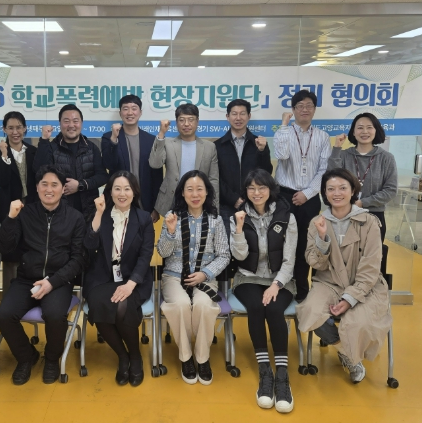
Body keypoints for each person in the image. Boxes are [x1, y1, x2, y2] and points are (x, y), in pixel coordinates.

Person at [296, 168, 392, 384]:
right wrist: (322, 238)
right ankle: (347, 353)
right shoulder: (317, 222)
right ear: (324, 193)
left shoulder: (369, 222)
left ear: (352, 191)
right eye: (330, 189)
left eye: (342, 188)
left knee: (359, 323)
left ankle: (351, 354)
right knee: (308, 312)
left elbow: (371, 267)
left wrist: (350, 299)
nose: (336, 193)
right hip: (328, 282)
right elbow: (315, 263)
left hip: (366, 286)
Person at [0, 165, 86, 385]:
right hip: (26, 278)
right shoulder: (25, 213)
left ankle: (52, 359)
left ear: (63, 189)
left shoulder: (75, 217)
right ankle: (26, 357)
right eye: (44, 184)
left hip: (59, 281)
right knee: (4, 315)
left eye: (55, 184)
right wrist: (10, 218)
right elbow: (5, 247)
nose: (49, 189)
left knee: (54, 315)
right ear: (36, 188)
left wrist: (52, 282)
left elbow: (78, 259)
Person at [229, 169, 296, 413]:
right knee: (257, 306)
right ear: (246, 191)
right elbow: (240, 256)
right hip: (247, 278)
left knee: (274, 308)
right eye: (251, 188)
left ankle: (282, 376)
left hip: (281, 279)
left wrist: (276, 285)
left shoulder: (286, 216)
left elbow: (289, 260)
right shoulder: (238, 216)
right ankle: (265, 371)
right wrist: (239, 229)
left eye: (261, 187)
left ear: (271, 189)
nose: (256, 193)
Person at [157, 170, 229, 386]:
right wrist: (170, 232)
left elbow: (224, 255)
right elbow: (162, 252)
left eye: (199, 189)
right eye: (190, 189)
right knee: (180, 304)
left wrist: (205, 274)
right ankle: (186, 357)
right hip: (173, 276)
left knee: (203, 305)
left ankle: (202, 358)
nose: (195, 194)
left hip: (205, 277)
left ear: (207, 192)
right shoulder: (172, 217)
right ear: (182, 193)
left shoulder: (216, 220)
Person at [84, 171, 154, 387]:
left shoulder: (143, 219)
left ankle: (135, 356)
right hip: (102, 278)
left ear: (134, 192)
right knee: (97, 303)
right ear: (110, 192)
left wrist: (131, 284)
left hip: (134, 279)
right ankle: (122, 355)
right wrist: (98, 214)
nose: (122, 194)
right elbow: (89, 246)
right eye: (117, 189)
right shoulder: (101, 214)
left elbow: (145, 256)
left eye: (126, 189)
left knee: (122, 305)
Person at [274, 90, 331, 301]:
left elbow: (324, 170)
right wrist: (284, 125)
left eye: (309, 106)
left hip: (310, 197)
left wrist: (307, 194)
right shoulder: (283, 132)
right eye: (300, 106)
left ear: (314, 109)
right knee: (282, 242)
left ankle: (302, 289)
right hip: (284, 195)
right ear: (293, 109)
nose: (304, 109)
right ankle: (282, 285)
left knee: (306, 244)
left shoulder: (323, 137)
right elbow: (281, 155)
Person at [328, 113, 397, 241]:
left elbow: (391, 190)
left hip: (374, 216)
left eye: (369, 127)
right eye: (360, 128)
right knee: (343, 252)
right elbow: (331, 178)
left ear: (376, 131)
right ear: (353, 132)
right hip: (344, 215)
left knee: (372, 252)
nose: (365, 131)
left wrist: (362, 203)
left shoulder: (386, 158)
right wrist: (337, 148)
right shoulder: (343, 155)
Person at [33, 105, 108, 220]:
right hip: (60, 213)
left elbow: (102, 176)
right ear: (60, 123)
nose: (71, 125)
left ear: (81, 123)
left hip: (89, 213)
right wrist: (44, 140)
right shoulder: (52, 147)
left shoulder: (91, 148)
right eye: (66, 121)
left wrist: (80, 185)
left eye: (75, 121)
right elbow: (38, 171)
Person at [0, 111, 38, 290]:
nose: (15, 132)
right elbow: (0, 181)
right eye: (10, 128)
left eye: (19, 127)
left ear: (25, 128)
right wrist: (5, 155)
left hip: (32, 209)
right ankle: (10, 294)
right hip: (10, 209)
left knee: (32, 250)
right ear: (4, 129)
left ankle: (32, 292)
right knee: (10, 250)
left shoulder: (33, 151)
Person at [149, 104, 219, 218]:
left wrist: (215, 208)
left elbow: (213, 180)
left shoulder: (209, 147)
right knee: (171, 229)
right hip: (171, 201)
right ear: (177, 122)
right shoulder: (167, 143)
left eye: (191, 120)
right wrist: (161, 134)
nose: (186, 124)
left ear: (197, 121)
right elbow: (155, 164)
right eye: (182, 120)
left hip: (198, 199)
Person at [215, 99, 273, 235]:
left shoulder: (259, 143)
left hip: (254, 204)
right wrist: (234, 199)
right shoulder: (217, 146)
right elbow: (215, 178)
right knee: (227, 244)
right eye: (234, 114)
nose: (238, 118)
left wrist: (262, 151)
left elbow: (266, 174)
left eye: (242, 113)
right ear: (227, 116)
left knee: (253, 244)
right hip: (226, 207)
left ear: (249, 116)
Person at [101, 95, 163, 222]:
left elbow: (156, 176)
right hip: (118, 201)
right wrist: (114, 139)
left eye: (134, 108)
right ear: (120, 113)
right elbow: (109, 164)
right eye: (125, 109)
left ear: (140, 112)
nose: (130, 112)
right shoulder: (109, 137)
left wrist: (156, 207)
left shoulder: (151, 140)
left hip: (144, 203)